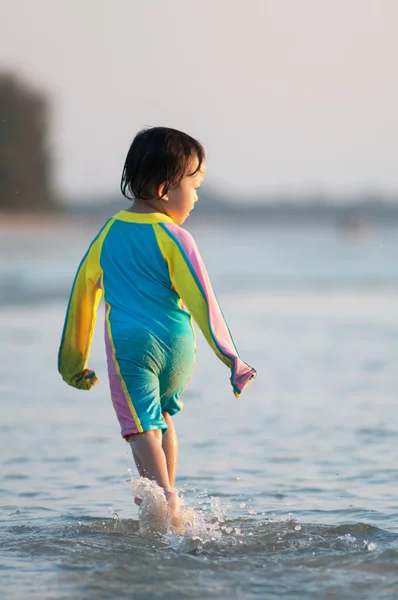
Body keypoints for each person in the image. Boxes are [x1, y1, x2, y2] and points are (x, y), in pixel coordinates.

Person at [58, 126, 256, 523]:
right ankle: (167, 492)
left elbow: (83, 294)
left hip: (134, 348)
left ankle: (164, 503)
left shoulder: (108, 234)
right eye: (194, 187)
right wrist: (231, 358)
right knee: (162, 417)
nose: (197, 197)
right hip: (179, 347)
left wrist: (73, 362)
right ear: (166, 188)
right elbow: (204, 299)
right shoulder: (176, 237)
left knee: (139, 428)